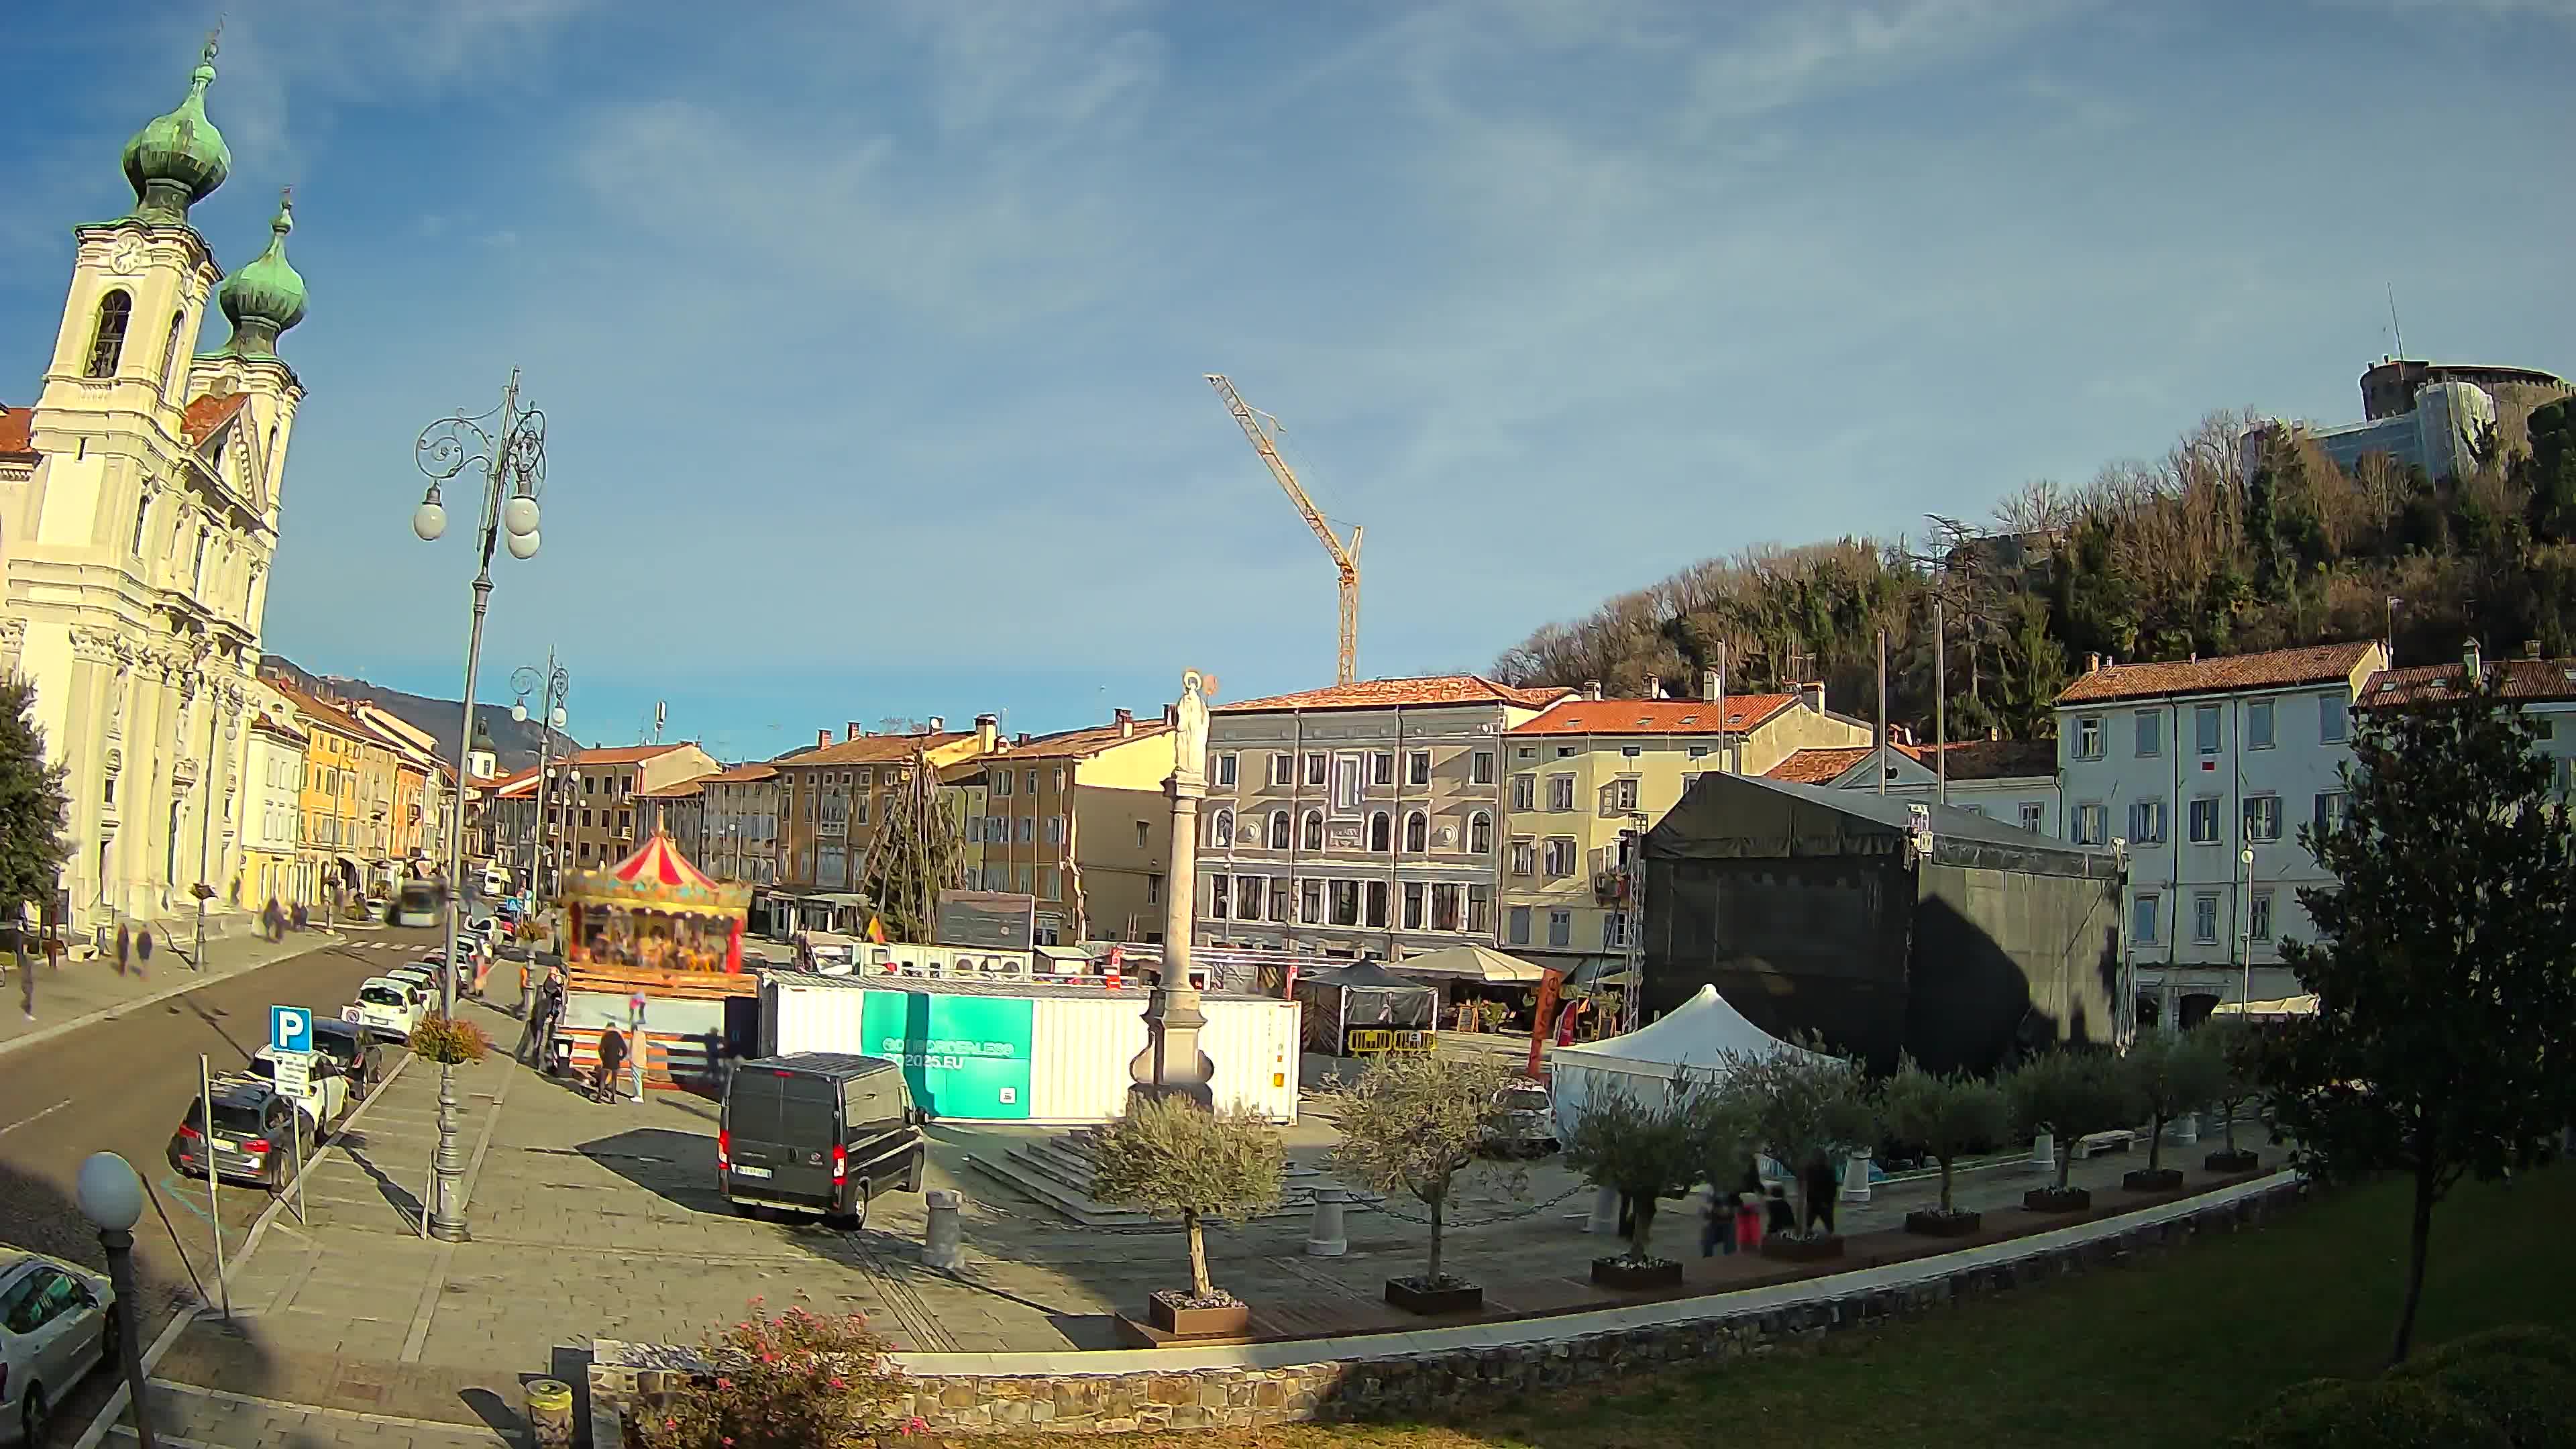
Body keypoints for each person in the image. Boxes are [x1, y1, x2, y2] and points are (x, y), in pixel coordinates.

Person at [594, 1022, 629, 1104]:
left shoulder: (606, 1036)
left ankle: (599, 1096)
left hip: (606, 1061)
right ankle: (613, 1098)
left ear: (609, 1027)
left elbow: (600, 1049)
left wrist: (603, 1058)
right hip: (615, 1061)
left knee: (603, 1080)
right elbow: (625, 1049)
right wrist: (620, 1058)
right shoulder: (618, 1036)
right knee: (614, 1080)